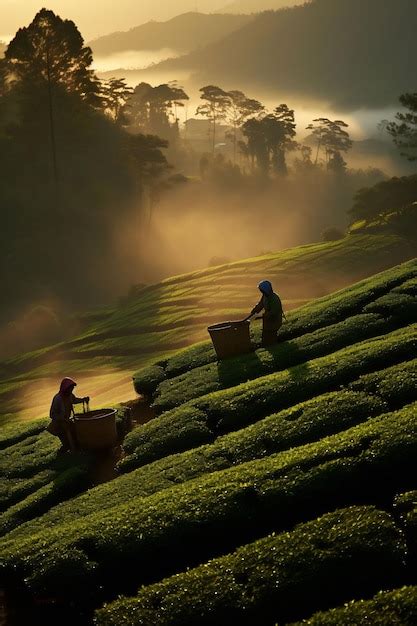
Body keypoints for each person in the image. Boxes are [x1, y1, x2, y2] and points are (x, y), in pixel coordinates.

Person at [48, 377, 90, 453]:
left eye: (72, 388)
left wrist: (83, 399)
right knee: (67, 442)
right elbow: (52, 414)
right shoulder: (57, 398)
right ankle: (65, 453)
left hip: (66, 422)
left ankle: (75, 450)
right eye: (70, 388)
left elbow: (75, 400)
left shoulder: (70, 396)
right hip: (59, 424)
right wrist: (62, 418)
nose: (71, 390)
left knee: (75, 437)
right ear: (65, 388)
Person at [246, 280, 284, 346]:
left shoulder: (274, 298)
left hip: (274, 320)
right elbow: (261, 304)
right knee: (265, 334)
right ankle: (266, 346)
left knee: (271, 334)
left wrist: (262, 316)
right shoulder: (265, 296)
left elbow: (274, 312)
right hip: (267, 320)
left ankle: (273, 346)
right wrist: (255, 309)